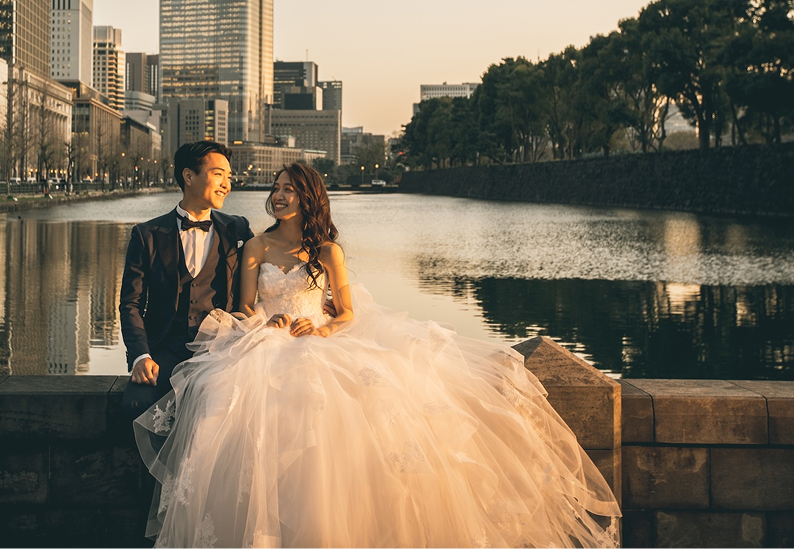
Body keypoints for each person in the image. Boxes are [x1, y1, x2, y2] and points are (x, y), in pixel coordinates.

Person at [134, 162, 621, 547]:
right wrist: (271, 320)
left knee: (350, 413)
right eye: (277, 187)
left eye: (290, 189)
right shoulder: (256, 245)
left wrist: (322, 328)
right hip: (267, 341)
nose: (279, 195)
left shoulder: (328, 252)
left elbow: (345, 313)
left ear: (309, 199)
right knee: (224, 402)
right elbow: (243, 307)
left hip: (318, 341)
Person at [119, 140, 255, 420]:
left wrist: (316, 296)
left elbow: (268, 270)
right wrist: (141, 356)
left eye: (229, 177)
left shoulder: (237, 228)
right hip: (165, 350)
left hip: (221, 350)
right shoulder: (147, 235)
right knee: (136, 404)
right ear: (188, 176)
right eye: (219, 174)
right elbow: (130, 304)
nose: (227, 184)